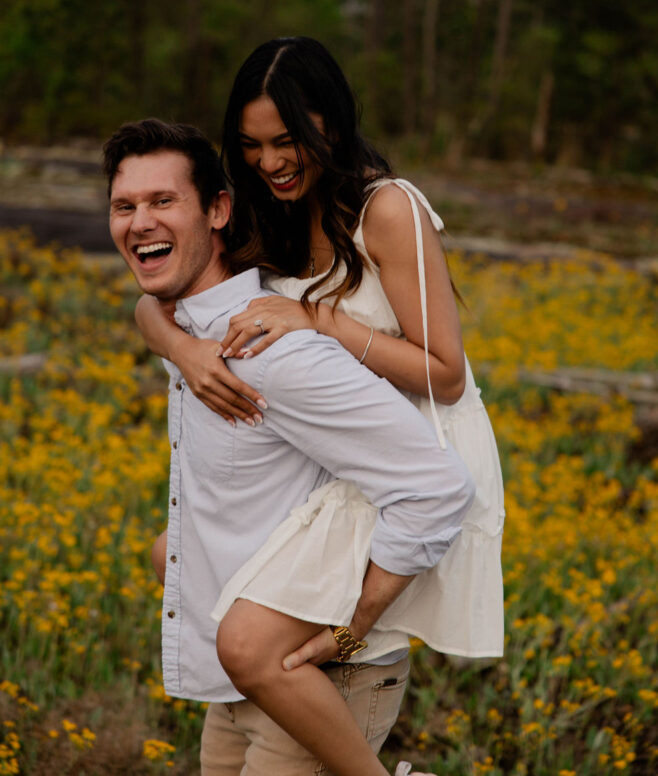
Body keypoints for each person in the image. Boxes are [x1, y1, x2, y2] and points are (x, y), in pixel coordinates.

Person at [105, 118, 474, 776]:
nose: (139, 222)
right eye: (124, 206)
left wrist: (353, 626)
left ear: (219, 209)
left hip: (319, 684)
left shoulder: (273, 353)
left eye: (163, 202)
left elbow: (437, 485)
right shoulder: (191, 328)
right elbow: (152, 313)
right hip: (244, 683)